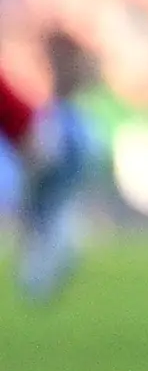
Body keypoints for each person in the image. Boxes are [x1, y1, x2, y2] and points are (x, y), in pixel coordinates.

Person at [2, 68, 97, 303]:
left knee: (40, 214)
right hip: (36, 141)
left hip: (38, 143)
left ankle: (45, 264)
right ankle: (46, 259)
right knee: (39, 215)